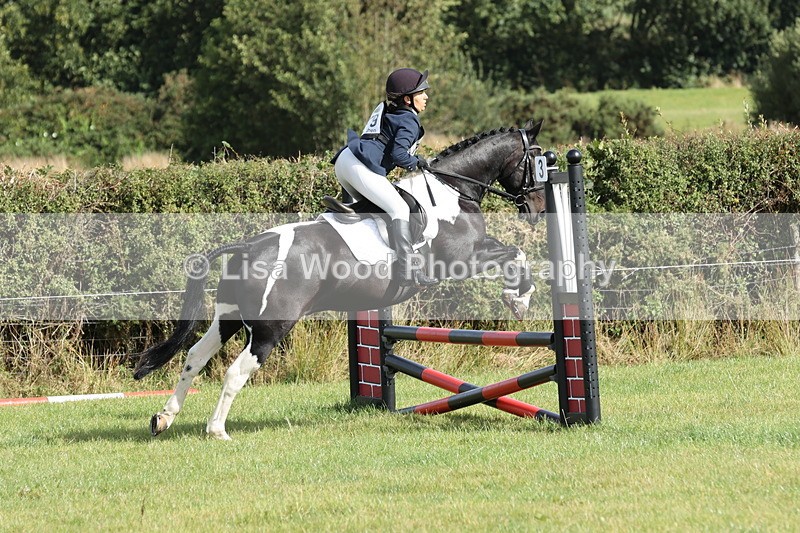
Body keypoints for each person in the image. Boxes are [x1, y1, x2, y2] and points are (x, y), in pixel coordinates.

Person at [332, 67, 437, 287]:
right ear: (408, 99)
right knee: (400, 210)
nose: (426, 97)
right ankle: (408, 271)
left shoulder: (392, 113)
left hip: (346, 160)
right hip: (360, 166)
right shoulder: (409, 120)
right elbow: (399, 155)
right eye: (421, 93)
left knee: (372, 210)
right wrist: (417, 162)